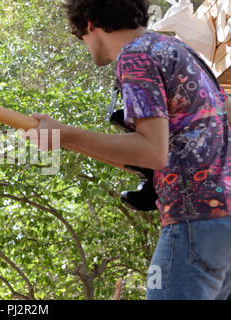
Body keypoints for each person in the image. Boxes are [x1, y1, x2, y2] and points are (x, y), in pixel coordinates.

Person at [27, 0, 231, 299]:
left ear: (90, 24)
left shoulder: (135, 56)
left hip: (195, 218)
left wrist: (66, 134)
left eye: (79, 37)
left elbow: (152, 150)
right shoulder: (180, 51)